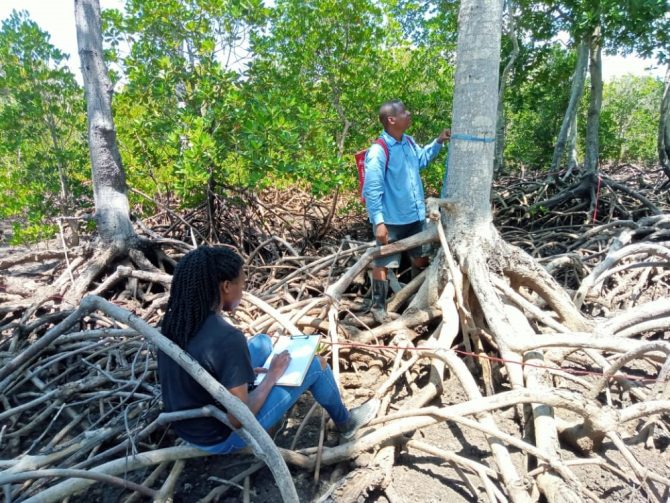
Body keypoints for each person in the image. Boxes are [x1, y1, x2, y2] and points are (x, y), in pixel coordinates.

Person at [157, 246, 379, 454]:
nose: (242, 293)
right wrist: (271, 377)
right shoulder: (227, 338)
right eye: (241, 285)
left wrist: (241, 375)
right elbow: (237, 419)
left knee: (262, 342)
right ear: (226, 287)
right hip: (222, 436)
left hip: (188, 425)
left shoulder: (176, 322)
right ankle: (347, 423)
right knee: (316, 365)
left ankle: (252, 385)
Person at [362, 100, 450, 323]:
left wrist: (438, 142)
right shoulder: (378, 151)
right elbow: (372, 190)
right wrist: (378, 222)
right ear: (392, 120)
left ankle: (414, 302)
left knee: (420, 259)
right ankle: (379, 307)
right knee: (383, 262)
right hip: (391, 220)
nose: (408, 114)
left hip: (415, 217)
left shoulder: (409, 142)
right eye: (403, 112)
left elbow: (421, 161)